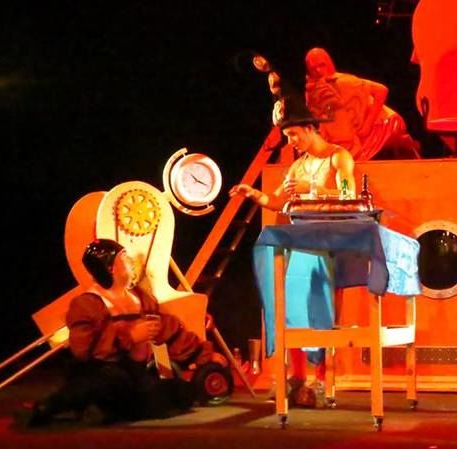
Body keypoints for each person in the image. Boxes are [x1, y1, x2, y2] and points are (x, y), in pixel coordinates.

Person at [229, 100, 356, 407]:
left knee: (322, 311)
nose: (292, 142)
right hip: (300, 243)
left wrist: (312, 189)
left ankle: (322, 380)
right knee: (293, 307)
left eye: (295, 135)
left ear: (311, 128)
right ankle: (296, 377)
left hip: (328, 243)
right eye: (288, 137)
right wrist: (254, 194)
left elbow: (349, 194)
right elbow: (279, 201)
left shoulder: (337, 156)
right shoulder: (298, 166)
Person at [23, 239, 223, 426]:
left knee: (176, 391)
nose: (131, 263)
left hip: (136, 373)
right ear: (110, 268)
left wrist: (204, 354)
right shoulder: (88, 304)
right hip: (102, 371)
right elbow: (82, 350)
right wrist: (129, 336)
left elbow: (170, 330)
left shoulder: (140, 298)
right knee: (111, 382)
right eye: (125, 258)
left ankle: (107, 410)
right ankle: (50, 406)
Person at [304, 47, 420, 161]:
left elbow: (382, 90)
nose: (318, 70)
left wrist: (368, 124)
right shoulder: (315, 92)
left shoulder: (345, 81)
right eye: (313, 68)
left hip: (383, 123)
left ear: (329, 64)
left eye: (322, 65)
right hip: (351, 134)